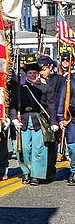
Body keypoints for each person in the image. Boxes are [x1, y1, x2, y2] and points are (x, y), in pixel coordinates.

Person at [11, 56, 57, 186]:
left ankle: (36, 175)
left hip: (39, 121)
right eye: (30, 73)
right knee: (24, 149)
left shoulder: (45, 88)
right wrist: (14, 118)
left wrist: (53, 122)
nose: (32, 75)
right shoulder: (20, 88)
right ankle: (26, 172)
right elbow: (13, 105)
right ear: (26, 74)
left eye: (35, 73)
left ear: (38, 74)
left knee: (39, 149)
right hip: (23, 121)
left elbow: (51, 105)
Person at [39, 55, 64, 182]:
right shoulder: (36, 80)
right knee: (40, 145)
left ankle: (50, 171)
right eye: (40, 70)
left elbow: (61, 99)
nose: (42, 72)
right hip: (40, 116)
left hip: (53, 117)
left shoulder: (59, 80)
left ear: (51, 67)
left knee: (52, 145)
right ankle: (38, 172)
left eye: (44, 69)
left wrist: (58, 118)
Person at [57, 51, 75, 185]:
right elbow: (62, 98)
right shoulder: (69, 79)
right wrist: (60, 117)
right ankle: (74, 170)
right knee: (73, 147)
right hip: (72, 117)